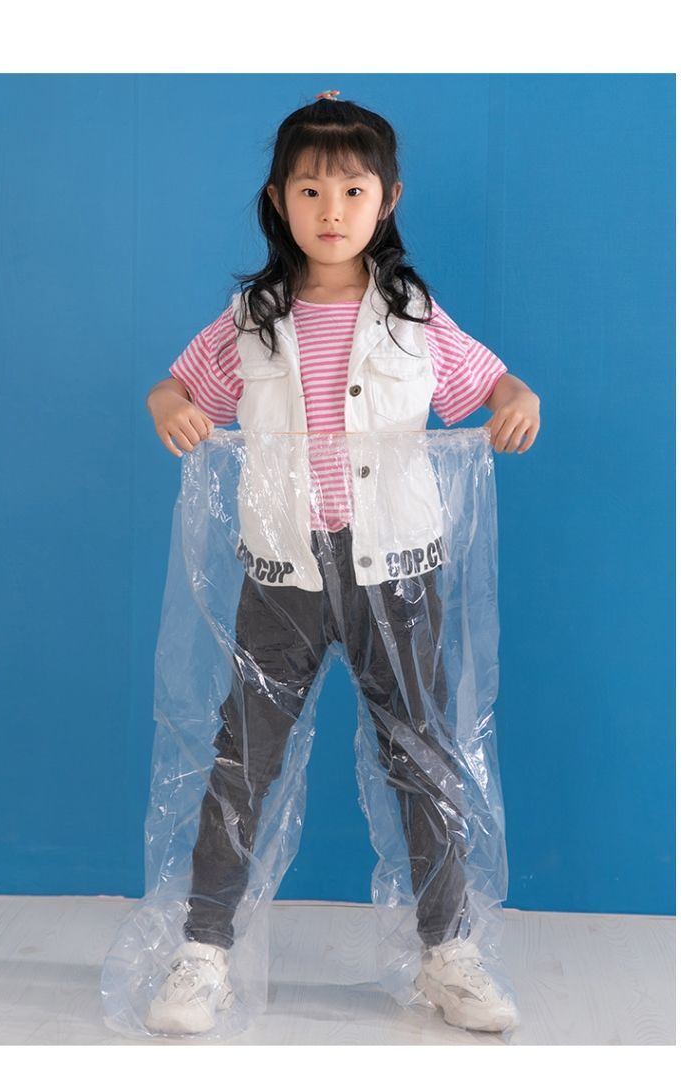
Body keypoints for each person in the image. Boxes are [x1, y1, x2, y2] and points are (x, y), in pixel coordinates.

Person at [143, 91, 540, 1037]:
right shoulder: (251, 319)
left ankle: (448, 951)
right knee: (242, 760)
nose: (331, 209)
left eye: (353, 189)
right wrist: (169, 406)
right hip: (282, 571)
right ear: (278, 199)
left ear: (387, 199)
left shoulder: (413, 316)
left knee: (423, 759)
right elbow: (174, 387)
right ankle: (203, 951)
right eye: (310, 188)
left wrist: (518, 401)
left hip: (394, 570)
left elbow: (494, 384)